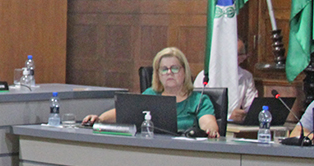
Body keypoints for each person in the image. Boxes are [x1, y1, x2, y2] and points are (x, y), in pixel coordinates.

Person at [83, 47, 220, 138]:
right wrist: (99, 119)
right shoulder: (151, 94)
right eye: (164, 69)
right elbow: (124, 111)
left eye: (175, 68)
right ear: (158, 74)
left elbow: (208, 123)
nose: (169, 73)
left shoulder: (199, 99)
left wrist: (210, 130)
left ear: (185, 72)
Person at [193, 38, 258, 122]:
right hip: (209, 124)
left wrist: (245, 114)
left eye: (243, 54)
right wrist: (229, 118)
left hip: (235, 127)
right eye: (239, 54)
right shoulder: (205, 76)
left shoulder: (246, 76)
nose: (243, 57)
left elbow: (251, 106)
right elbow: (196, 107)